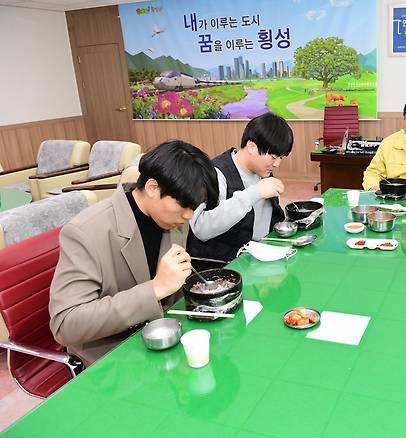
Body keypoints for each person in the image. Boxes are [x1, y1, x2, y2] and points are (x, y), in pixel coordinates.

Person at [49, 140, 219, 366]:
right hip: (112, 356)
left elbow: (173, 295)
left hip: (165, 340)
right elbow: (65, 325)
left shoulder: (175, 219)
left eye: (194, 207)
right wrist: (155, 289)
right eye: (185, 205)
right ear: (152, 188)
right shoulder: (86, 232)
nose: (189, 216)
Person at [187, 112, 294, 268]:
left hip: (256, 261)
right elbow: (200, 228)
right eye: (273, 156)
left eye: (281, 158)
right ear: (251, 147)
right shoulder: (215, 173)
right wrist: (254, 194)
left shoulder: (262, 171)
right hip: (220, 269)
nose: (277, 164)